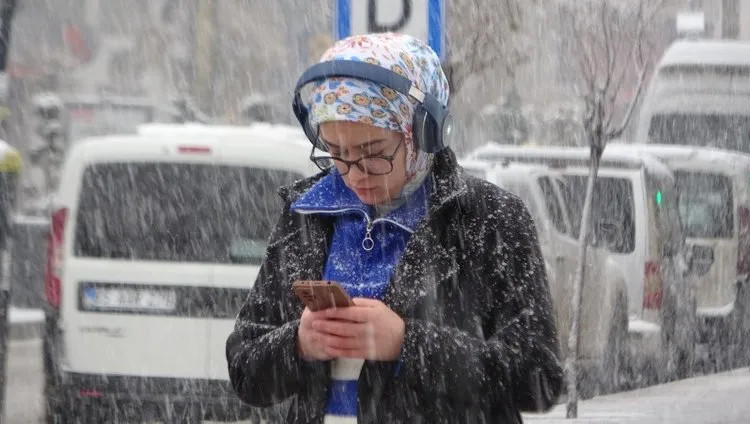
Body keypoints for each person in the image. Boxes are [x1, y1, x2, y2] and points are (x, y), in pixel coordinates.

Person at [226, 32, 563, 423]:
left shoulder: (490, 219)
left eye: (373, 153)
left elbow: (538, 378)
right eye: (337, 153)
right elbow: (244, 368)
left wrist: (409, 343)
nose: (354, 174)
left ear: (422, 134)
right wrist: (298, 344)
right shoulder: (307, 214)